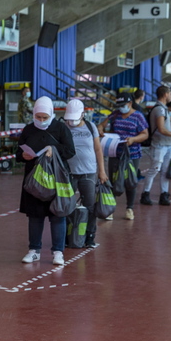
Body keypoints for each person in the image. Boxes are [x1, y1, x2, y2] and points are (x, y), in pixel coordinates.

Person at [19, 97, 76, 266]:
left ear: (51, 114)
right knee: (35, 216)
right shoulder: (28, 130)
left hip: (56, 179)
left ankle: (58, 252)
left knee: (57, 215)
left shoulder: (61, 129)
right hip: (34, 181)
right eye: (38, 117)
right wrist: (23, 155)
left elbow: (70, 151)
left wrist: (54, 149)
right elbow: (19, 151)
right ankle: (33, 250)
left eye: (45, 117)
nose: (42, 121)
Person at [63, 99, 107, 248]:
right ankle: (67, 236)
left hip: (88, 172)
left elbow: (98, 150)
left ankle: (89, 236)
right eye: (69, 119)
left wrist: (102, 171)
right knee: (66, 205)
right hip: (69, 173)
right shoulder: (63, 127)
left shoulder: (90, 126)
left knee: (90, 206)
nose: (72, 122)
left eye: (74, 119)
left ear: (82, 114)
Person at [100, 93, 148, 220]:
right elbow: (102, 125)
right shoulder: (115, 114)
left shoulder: (138, 116)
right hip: (115, 152)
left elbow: (145, 134)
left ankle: (129, 208)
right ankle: (110, 208)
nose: (121, 108)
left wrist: (133, 139)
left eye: (123, 105)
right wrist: (100, 129)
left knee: (130, 181)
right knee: (113, 179)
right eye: (119, 105)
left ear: (130, 104)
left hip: (132, 154)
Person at [141, 86, 171, 206]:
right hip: (159, 144)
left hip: (167, 144)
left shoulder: (163, 108)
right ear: (165, 94)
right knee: (154, 169)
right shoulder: (159, 109)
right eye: (170, 93)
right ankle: (145, 193)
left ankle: (164, 194)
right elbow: (161, 129)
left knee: (165, 171)